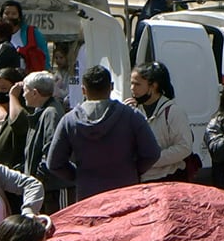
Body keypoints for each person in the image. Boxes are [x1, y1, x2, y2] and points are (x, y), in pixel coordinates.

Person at [46, 64, 158, 203]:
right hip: (125, 194)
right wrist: (132, 171)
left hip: (88, 196)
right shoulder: (131, 116)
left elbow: (54, 163)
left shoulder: (69, 121)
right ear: (111, 87)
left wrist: (79, 176)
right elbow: (152, 153)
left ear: (83, 90)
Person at [129, 62, 198, 182]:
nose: (132, 89)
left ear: (153, 86)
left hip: (169, 180)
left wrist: (151, 160)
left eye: (137, 84)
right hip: (141, 181)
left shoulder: (173, 112)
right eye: (131, 83)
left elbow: (184, 147)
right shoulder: (133, 111)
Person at [17, 71, 69, 198]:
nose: (23, 95)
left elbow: (52, 151)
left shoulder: (51, 113)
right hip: (44, 187)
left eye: (25, 91)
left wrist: (37, 178)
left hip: (53, 189)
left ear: (34, 92)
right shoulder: (41, 111)